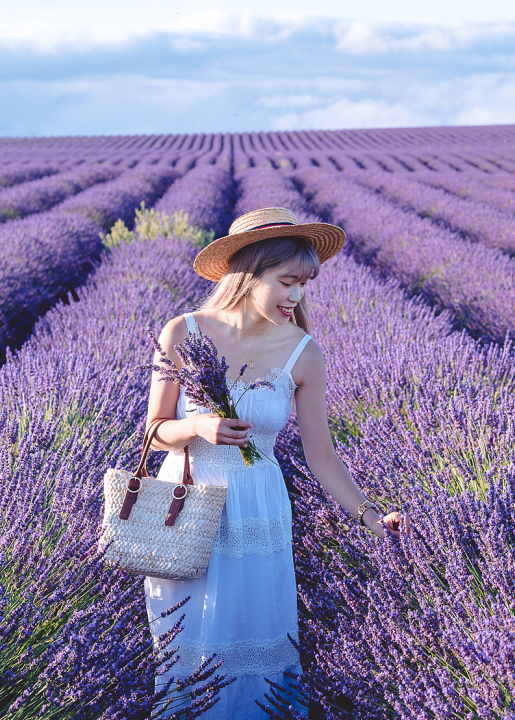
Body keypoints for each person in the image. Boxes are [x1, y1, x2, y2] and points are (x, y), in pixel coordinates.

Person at [141, 207, 406, 718]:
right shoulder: (182, 331)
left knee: (256, 644)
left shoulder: (304, 353)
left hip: (257, 510)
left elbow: (322, 457)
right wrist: (197, 427)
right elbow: (153, 433)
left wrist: (371, 515)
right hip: (186, 506)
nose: (297, 296)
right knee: (185, 649)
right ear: (248, 274)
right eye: (287, 282)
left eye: (305, 284)